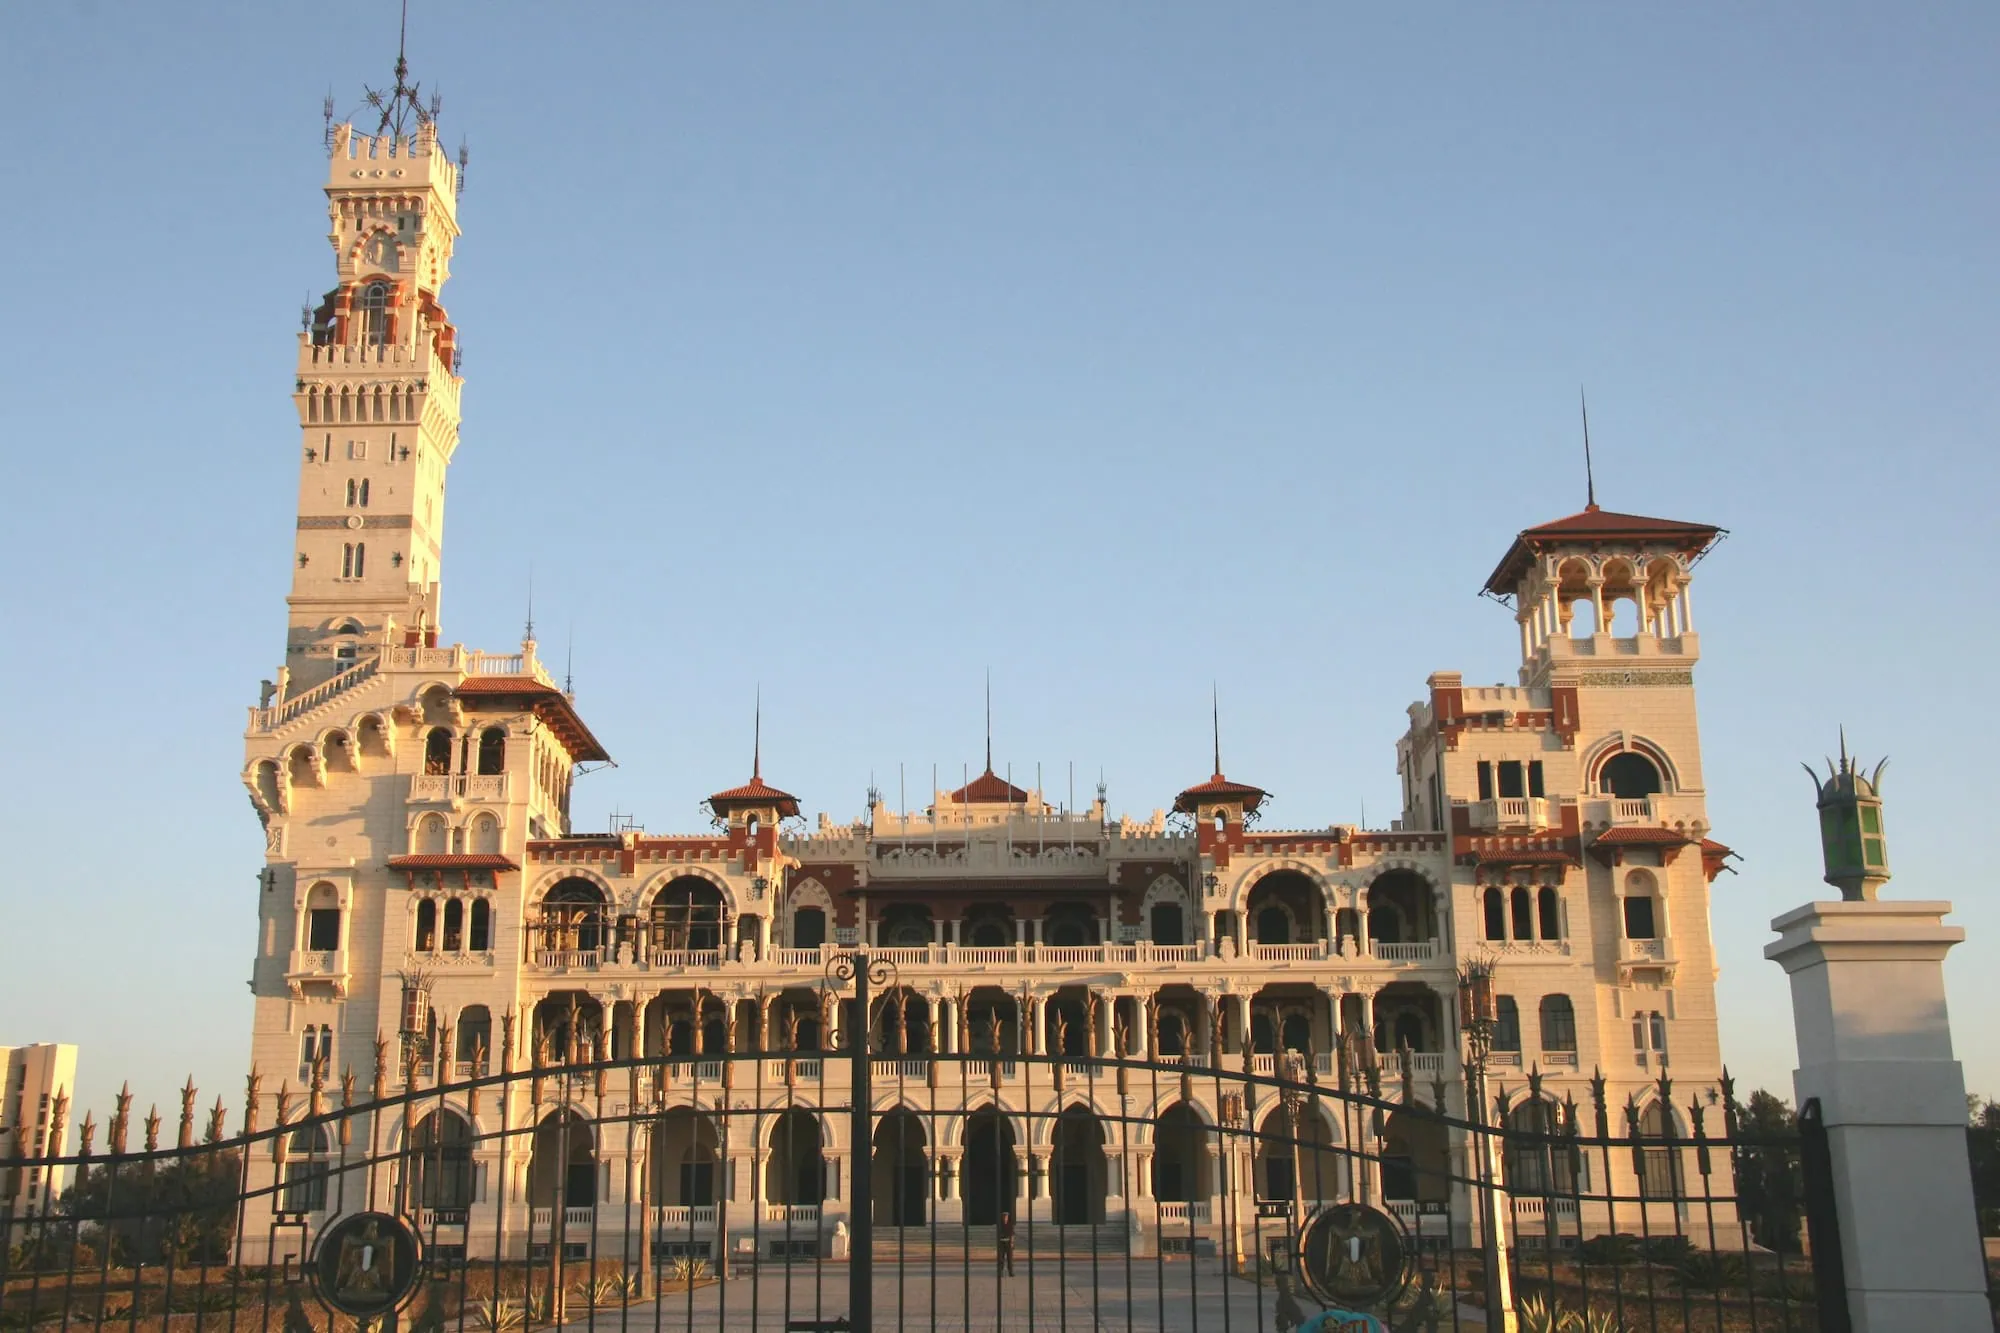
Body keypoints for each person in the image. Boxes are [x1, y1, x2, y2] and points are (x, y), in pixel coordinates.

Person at [997, 1210, 1016, 1276]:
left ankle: (1010, 1272)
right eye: (1004, 1217)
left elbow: (1012, 1235)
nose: (1005, 1218)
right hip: (1001, 1243)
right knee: (1001, 1259)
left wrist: (1012, 1243)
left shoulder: (1010, 1225)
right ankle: (1000, 1272)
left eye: (1006, 1217)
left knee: (1010, 1259)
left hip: (1008, 1243)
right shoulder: (1000, 1225)